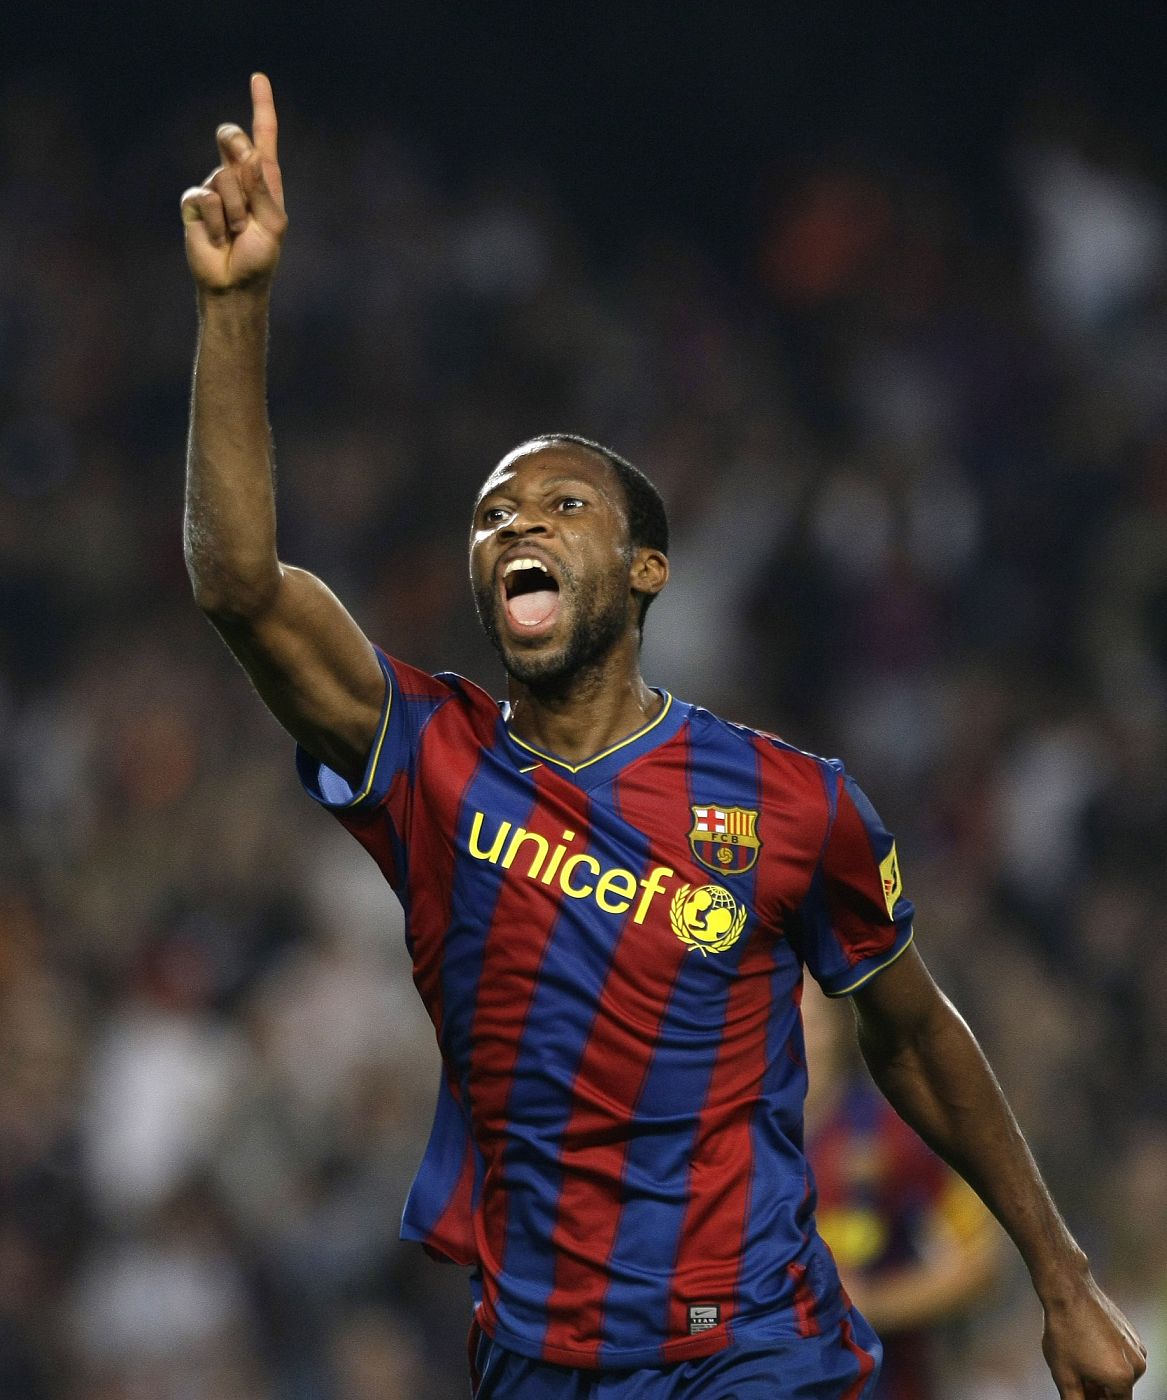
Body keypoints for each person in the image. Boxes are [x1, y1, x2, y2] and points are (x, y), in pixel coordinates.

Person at [179, 74, 1147, 1400]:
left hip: (754, 1350)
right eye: (491, 514)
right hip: (536, 1358)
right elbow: (241, 586)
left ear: (645, 570)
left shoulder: (789, 800)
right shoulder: (432, 761)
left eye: (561, 504)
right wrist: (235, 306)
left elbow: (914, 1032)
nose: (517, 522)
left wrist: (1062, 1276)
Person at [801, 978, 1003, 1400]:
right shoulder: (732, 1144)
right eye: (784, 1019)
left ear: (840, 1029)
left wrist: (873, 1304)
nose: (799, 1037)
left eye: (812, 1022)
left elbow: (979, 1260)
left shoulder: (892, 1135)